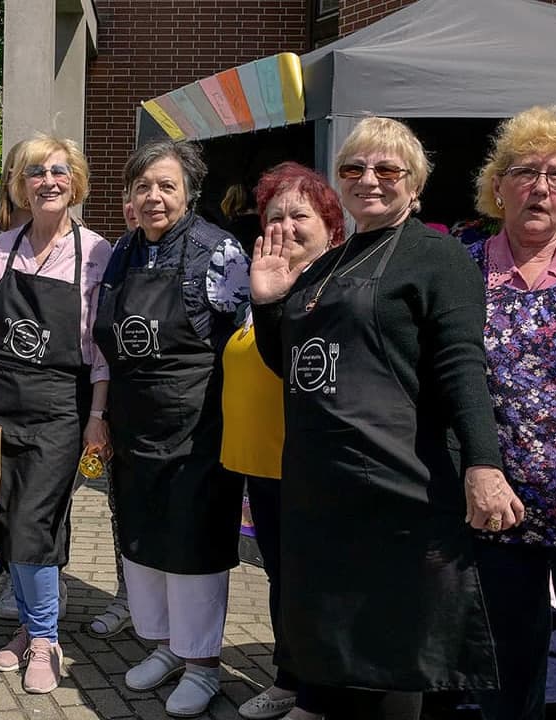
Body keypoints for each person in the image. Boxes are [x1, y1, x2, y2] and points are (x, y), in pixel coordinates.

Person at [250, 116, 514, 719]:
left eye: (388, 169)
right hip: (326, 489)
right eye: (354, 169)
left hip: (404, 486)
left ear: (414, 184)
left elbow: (461, 365)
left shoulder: (437, 255)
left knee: (402, 647)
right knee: (342, 646)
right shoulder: (328, 264)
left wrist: (482, 463)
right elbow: (295, 367)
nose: (370, 179)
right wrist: (268, 305)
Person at [0, 134, 112, 695]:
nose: (49, 181)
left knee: (32, 523)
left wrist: (99, 414)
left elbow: (100, 345)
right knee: (3, 516)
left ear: (76, 182)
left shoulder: (95, 252)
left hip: (60, 407)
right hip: (2, 400)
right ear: (21, 184)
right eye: (36, 172)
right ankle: (27, 624)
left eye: (59, 171)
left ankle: (45, 638)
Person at [92, 140, 249, 717]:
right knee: (142, 541)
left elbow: (243, 340)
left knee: (191, 547)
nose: (153, 196)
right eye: (142, 186)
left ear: (188, 192)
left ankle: (203, 665)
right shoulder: (124, 253)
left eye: (166, 185)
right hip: (135, 425)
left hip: (198, 430)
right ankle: (161, 646)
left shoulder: (220, 251)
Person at [466, 106, 556, 720]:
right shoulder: (463, 267)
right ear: (497, 185)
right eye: (524, 171)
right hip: (495, 501)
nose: (540, 187)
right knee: (504, 670)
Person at [224, 163, 343, 720]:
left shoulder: (334, 289)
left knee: (313, 585)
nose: (288, 226)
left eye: (302, 215)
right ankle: (290, 677)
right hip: (262, 465)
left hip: (313, 467)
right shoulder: (261, 285)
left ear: (331, 227)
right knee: (282, 583)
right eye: (276, 216)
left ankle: (318, 695)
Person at [86, 191, 139, 641]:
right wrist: (98, 412)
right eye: (129, 195)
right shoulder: (118, 252)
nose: (135, 204)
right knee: (120, 506)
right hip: (118, 402)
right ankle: (128, 597)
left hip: (172, 410)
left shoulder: (202, 250)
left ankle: (154, 609)